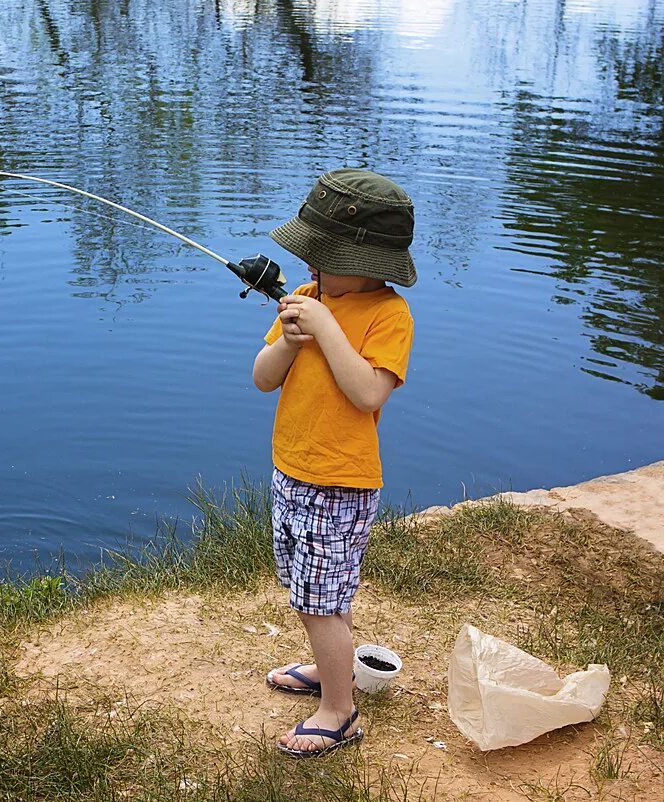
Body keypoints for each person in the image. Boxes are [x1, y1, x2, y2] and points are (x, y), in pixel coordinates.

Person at [251, 168, 416, 758]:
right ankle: (331, 670)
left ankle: (340, 712)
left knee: (324, 599)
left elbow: (368, 393)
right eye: (311, 254)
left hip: (340, 482)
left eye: (326, 255)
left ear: (371, 261)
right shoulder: (311, 299)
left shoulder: (388, 316)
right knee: (306, 590)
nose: (312, 266)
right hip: (291, 470)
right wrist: (291, 340)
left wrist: (324, 330)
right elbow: (262, 379)